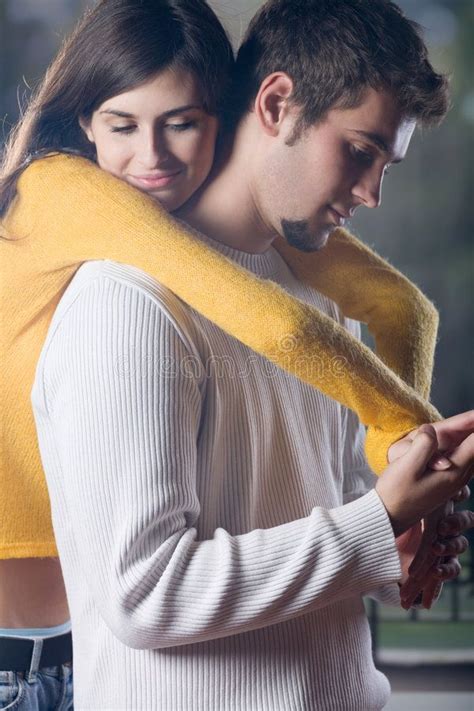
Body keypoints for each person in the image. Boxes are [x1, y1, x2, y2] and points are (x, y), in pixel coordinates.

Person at [0, 0, 472, 707]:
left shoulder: (319, 295)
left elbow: (319, 508)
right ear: (276, 103)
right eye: (359, 150)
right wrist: (374, 523)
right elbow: (145, 593)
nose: (373, 194)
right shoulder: (125, 302)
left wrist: (395, 536)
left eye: (386, 163)